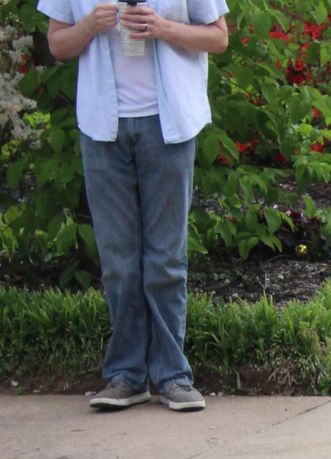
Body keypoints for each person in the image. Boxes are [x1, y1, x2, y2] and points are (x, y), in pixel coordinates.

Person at [40, 0, 228, 412]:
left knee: (165, 258)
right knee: (119, 260)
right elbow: (58, 44)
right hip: (102, 126)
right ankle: (126, 376)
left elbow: (218, 37)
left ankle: (173, 376)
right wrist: (89, 24)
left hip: (169, 123)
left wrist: (162, 27)